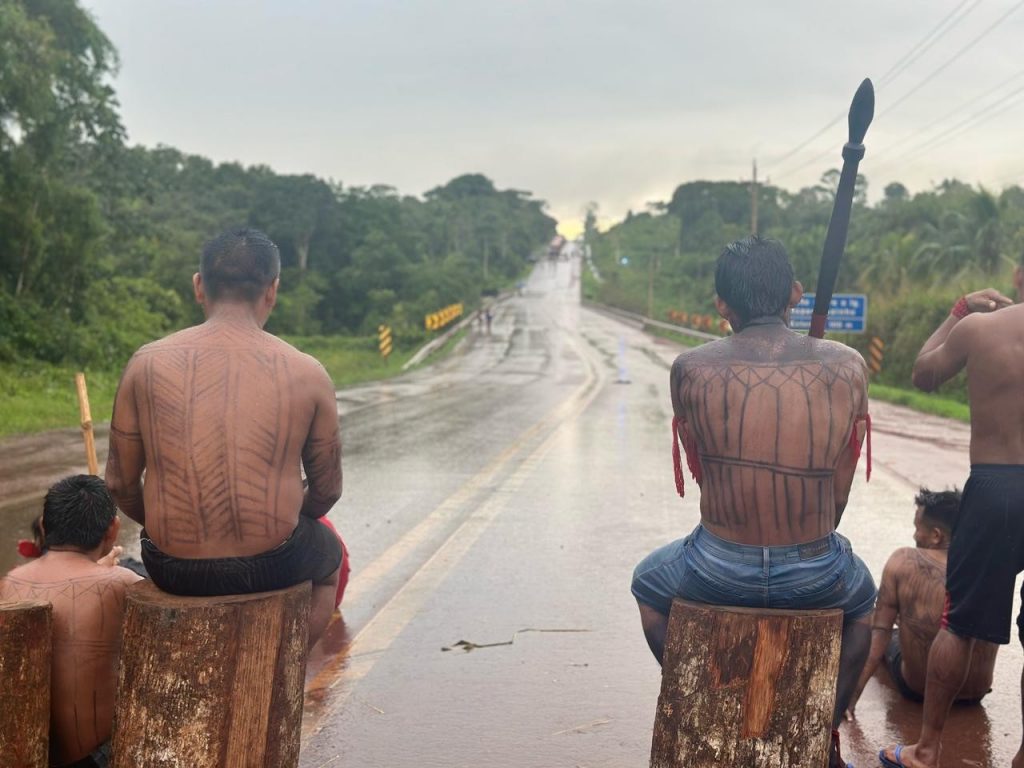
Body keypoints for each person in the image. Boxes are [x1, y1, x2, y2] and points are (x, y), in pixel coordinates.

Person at [631, 236, 876, 768]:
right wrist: (814, 537)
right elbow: (841, 482)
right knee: (864, 607)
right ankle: (819, 729)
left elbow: (705, 473)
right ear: (794, 293)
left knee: (647, 585)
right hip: (816, 570)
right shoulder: (849, 366)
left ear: (722, 305)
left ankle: (717, 704)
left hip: (716, 567)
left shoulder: (689, 369)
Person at [104, 228, 345, 647]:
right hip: (274, 560)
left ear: (199, 286)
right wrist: (285, 519)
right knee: (331, 562)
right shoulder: (307, 371)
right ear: (272, 291)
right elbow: (327, 489)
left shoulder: (146, 363)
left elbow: (120, 483)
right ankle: (285, 664)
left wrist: (172, 525)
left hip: (170, 565)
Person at [879, 274, 1020, 768]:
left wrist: (959, 309)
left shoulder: (981, 330)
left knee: (958, 625)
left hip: (996, 484)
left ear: (1021, 278)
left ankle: (927, 748)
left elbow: (922, 374)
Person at [0, 475, 143, 767]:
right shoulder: (123, 582)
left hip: (25, 751)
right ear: (113, 530)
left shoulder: (11, 581)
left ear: (43, 526)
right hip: (92, 758)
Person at [846, 488, 996, 720]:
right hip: (975, 694)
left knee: (887, 631)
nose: (915, 535)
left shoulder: (903, 562)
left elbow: (879, 634)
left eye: (918, 528)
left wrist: (851, 697)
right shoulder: (991, 563)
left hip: (919, 691)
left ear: (936, 535)